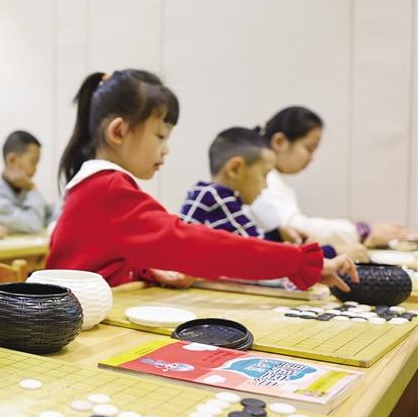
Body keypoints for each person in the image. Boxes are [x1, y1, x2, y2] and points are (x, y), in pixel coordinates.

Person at [46, 70, 359, 293]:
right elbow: (198, 244)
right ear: (118, 132)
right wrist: (300, 262)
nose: (166, 149)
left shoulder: (98, 185)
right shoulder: (109, 188)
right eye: (160, 136)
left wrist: (147, 269)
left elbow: (103, 262)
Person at [249, 106, 412, 250]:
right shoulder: (260, 177)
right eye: (309, 148)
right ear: (279, 142)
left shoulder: (273, 177)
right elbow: (292, 229)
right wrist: (361, 232)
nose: (311, 158)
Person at [179, 127, 339, 258]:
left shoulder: (210, 194)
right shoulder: (216, 198)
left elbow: (249, 244)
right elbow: (260, 255)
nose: (265, 186)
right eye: (264, 175)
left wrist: (278, 235)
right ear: (235, 169)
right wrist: (325, 252)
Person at [0, 130, 53, 234]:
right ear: (12, 160)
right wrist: (32, 189)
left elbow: (50, 215)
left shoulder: (24, 190)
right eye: (33, 162)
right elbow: (33, 225)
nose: (35, 169)